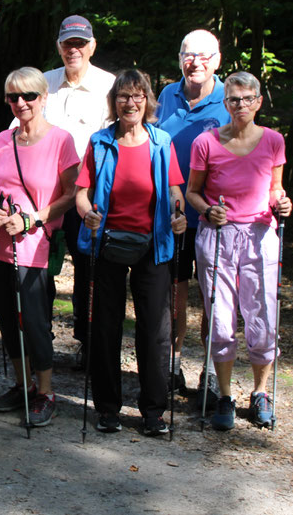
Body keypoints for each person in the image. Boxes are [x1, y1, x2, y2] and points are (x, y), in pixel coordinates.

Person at [0, 15, 114, 366]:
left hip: (87, 193)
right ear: (59, 46)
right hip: (37, 198)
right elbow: (11, 138)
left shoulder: (108, 85)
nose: (74, 49)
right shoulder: (42, 81)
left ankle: (85, 339)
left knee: (86, 269)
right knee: (40, 277)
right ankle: (41, 338)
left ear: (92, 45)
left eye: (81, 43)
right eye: (68, 43)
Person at [76, 69, 187, 436]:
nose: (131, 102)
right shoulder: (99, 142)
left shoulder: (161, 142)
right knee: (105, 327)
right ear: (115, 102)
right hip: (106, 244)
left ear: (147, 101)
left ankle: (153, 411)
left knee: (154, 330)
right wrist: (87, 213)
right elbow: (81, 192)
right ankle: (108, 408)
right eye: (123, 96)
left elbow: (175, 191)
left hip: (153, 247)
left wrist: (178, 214)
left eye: (137, 95)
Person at [186, 71, 291, 431]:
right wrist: (206, 210)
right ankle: (226, 396)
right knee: (220, 319)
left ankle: (261, 392)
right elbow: (192, 192)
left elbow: (275, 188)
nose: (241, 105)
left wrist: (282, 202)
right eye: (233, 99)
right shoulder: (206, 142)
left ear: (259, 101)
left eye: (248, 99)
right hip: (218, 237)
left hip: (261, 236)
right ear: (225, 103)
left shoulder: (274, 141)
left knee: (262, 320)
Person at [0, 67, 79, 427]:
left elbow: (71, 195)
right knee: (8, 319)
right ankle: (22, 385)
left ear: (43, 97)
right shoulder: (3, 141)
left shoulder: (61, 141)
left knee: (35, 320)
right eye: (13, 97)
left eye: (29, 96)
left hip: (34, 246)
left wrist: (32, 218)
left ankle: (46, 391)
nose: (21, 103)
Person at [156, 30, 230, 401]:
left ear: (217, 60)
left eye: (204, 56)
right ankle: (174, 362)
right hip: (175, 214)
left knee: (216, 297)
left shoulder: (229, 99)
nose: (195, 62)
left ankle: (212, 371)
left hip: (218, 216)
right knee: (176, 293)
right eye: (188, 55)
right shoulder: (167, 96)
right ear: (179, 58)